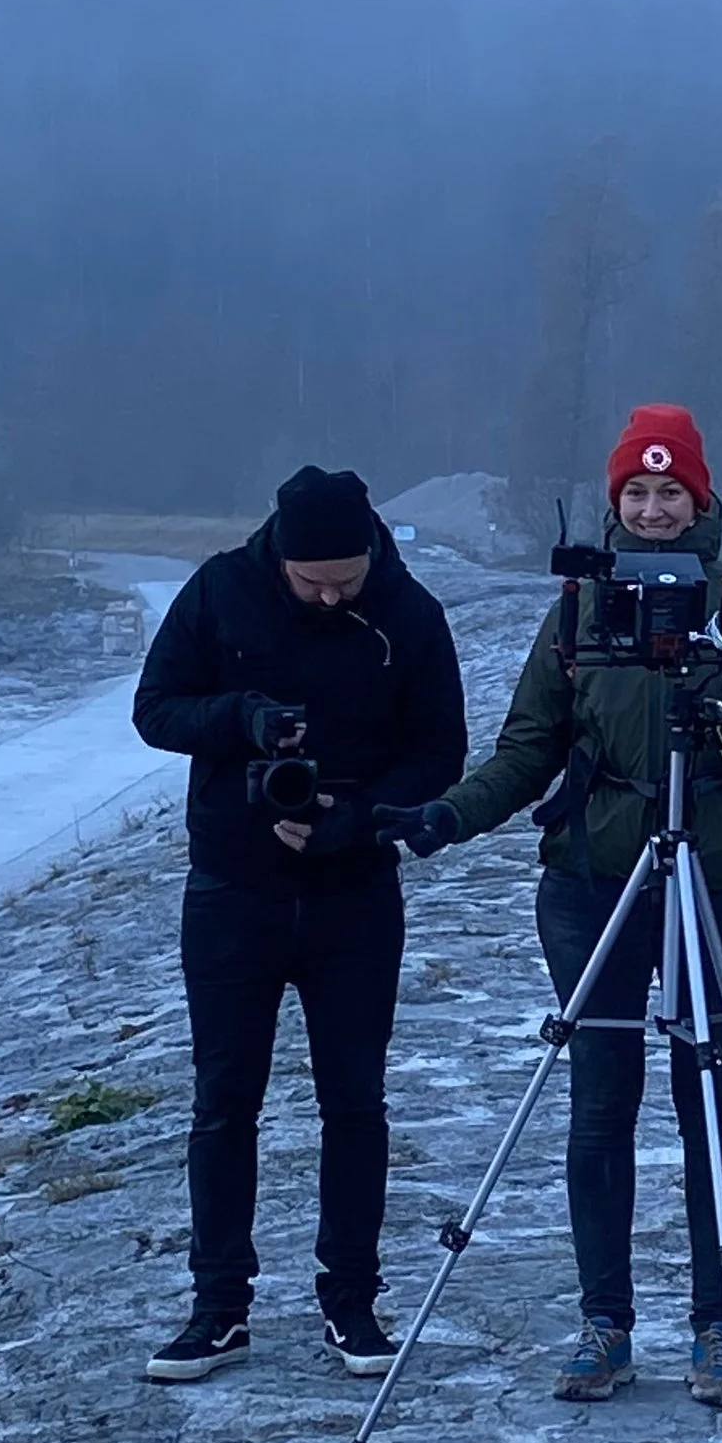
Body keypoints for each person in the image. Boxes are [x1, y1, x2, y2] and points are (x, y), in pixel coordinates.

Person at [380, 404, 722, 1410]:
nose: (654, 509)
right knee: (599, 1100)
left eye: (671, 492)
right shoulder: (578, 611)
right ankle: (603, 1324)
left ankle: (717, 1328)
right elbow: (528, 748)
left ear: (700, 502)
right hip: (591, 884)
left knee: (710, 1099)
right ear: (615, 505)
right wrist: (450, 815)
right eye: (637, 493)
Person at [131, 465, 467, 1385]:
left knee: (354, 1100)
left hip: (355, 890)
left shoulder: (409, 612)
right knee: (223, 1100)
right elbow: (153, 709)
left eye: (344, 580)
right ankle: (218, 1307)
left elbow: (443, 749)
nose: (328, 595)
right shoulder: (219, 590)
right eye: (311, 580)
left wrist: (360, 819)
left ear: (370, 554)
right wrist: (238, 717)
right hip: (231, 890)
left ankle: (352, 1301)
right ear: (278, 554)